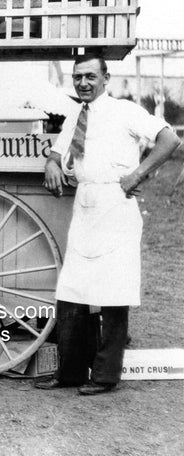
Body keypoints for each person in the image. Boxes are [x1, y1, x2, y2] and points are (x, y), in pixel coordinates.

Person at [36, 54, 181, 395]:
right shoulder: (75, 114)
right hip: (85, 204)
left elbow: (170, 139)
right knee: (72, 290)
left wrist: (139, 174)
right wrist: (52, 164)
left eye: (89, 76)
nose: (83, 83)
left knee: (113, 293)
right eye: (77, 77)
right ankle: (70, 372)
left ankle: (104, 376)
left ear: (105, 78)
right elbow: (58, 151)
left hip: (116, 204)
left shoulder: (125, 111)